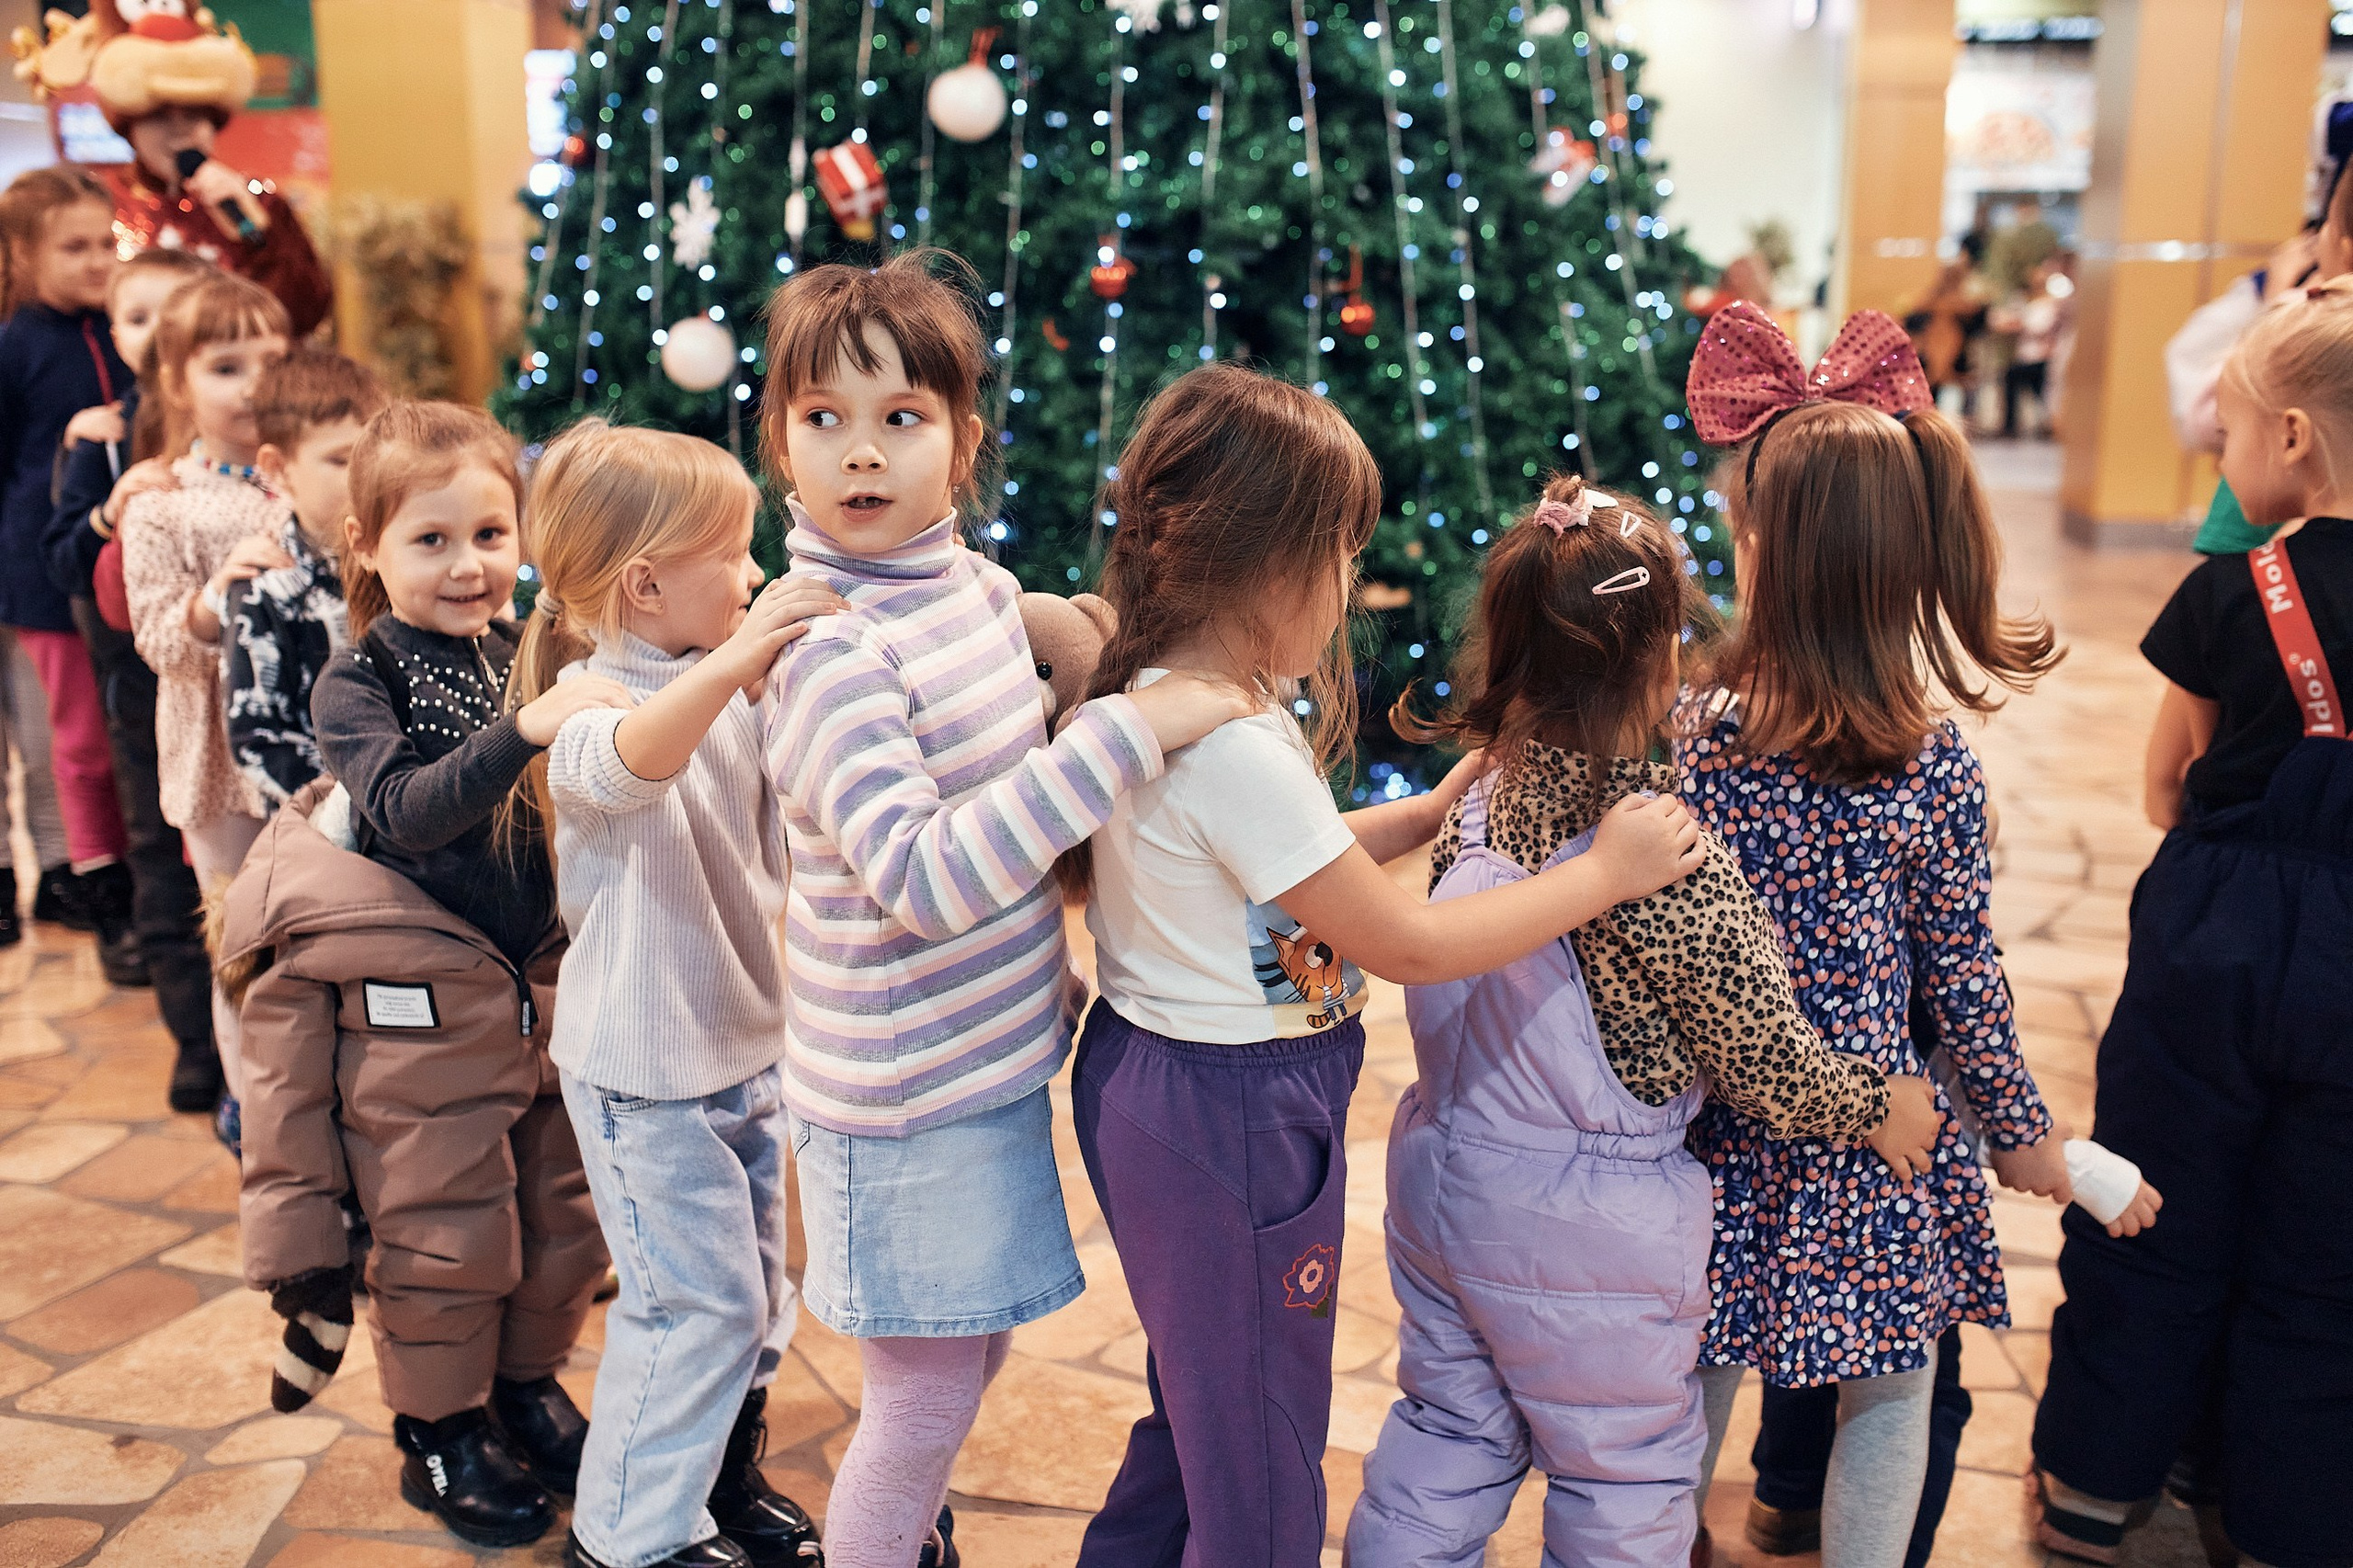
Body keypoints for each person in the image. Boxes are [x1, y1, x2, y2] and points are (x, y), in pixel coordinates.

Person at [1065, 369, 1713, 1568]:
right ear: (1273, 565)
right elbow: (1403, 941)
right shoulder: (1238, 750)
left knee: (1201, 1403)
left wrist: (1419, 815)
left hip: (1159, 1089)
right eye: (1341, 559)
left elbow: (1279, 874)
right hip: (1234, 1119)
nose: (1350, 591)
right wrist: (1602, 874)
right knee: (1259, 1458)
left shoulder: (1171, 700)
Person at [1339, 471, 1938, 1568]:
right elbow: (1763, 1052)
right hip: (1588, 1228)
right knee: (1622, 1474)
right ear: (1660, 664)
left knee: (1445, 1432)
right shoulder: (1654, 852)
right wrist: (1875, 1107)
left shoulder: (1481, 788)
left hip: (1437, 1183)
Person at [756, 252, 1255, 1568]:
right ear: (780, 445)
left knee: (968, 1362)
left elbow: (1013, 777)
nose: (862, 454)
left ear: (964, 442)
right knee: (919, 1397)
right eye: (825, 420)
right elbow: (922, 881)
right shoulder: (826, 651)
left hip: (981, 1067)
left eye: (900, 419)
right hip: (899, 1100)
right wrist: (1127, 734)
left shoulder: (973, 594)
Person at [1677, 302, 2067, 1568]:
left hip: (1716, 1121)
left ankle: (1651, 1543)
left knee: (1699, 1367)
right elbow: (1964, 978)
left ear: (1758, 544)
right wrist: (2018, 1126)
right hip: (1881, 1134)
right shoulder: (1932, 767)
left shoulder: (1695, 737)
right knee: (1891, 1387)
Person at [235, 401, 617, 1551]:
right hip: (418, 1014)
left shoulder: (527, 651)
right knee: (446, 1232)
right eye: (432, 539)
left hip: (540, 992)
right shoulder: (358, 681)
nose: (470, 565)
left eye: (491, 534)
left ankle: (524, 1386)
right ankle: (440, 1428)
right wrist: (534, 728)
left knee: (560, 1213)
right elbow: (405, 809)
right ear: (368, 546)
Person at [2031, 283, 2353, 1568]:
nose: (2217, 457)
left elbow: (2168, 782)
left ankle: (2101, 1488)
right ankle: (2290, 1517)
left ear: (2291, 438)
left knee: (2150, 1204)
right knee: (2324, 1248)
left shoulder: (2236, 588)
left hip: (2214, 937)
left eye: (2223, 430)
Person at [510, 420, 838, 1568]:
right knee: (684, 1306)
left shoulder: (725, 681)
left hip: (742, 1048)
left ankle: (719, 1476)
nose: (754, 579)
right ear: (646, 584)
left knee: (753, 1295)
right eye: (734, 556)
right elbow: (623, 766)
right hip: (643, 1074)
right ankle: (628, 1538)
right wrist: (738, 660)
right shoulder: (590, 698)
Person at [45, 244, 222, 1107]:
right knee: (162, 856)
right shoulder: (103, 440)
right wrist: (109, 509)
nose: (157, 337)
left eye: (177, 315)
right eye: (140, 318)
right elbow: (64, 563)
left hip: (230, 687)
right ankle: (194, 1037)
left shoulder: (233, 434)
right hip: (141, 688)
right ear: (115, 332)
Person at [117, 269, 290, 1145]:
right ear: (175, 381)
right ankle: (259, 1115)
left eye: (272, 360)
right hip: (217, 760)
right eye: (227, 366)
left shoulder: (300, 483)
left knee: (318, 926)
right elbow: (162, 642)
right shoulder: (162, 506)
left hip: (310, 755)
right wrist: (219, 593)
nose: (256, 385)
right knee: (243, 944)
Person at [0, 165, 139, 977]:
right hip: (45, 578)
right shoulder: (16, 347)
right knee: (75, 740)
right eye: (73, 247)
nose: (96, 262)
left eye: (105, 243)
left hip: (121, 568)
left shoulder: (123, 334)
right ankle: (98, 881)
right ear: (21, 253)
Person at [223, 344, 387, 805]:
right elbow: (258, 740)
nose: (364, 478)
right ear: (279, 468)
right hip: (325, 831)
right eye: (341, 460)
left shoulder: (400, 567)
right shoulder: (264, 591)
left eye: (373, 457)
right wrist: (354, 807)